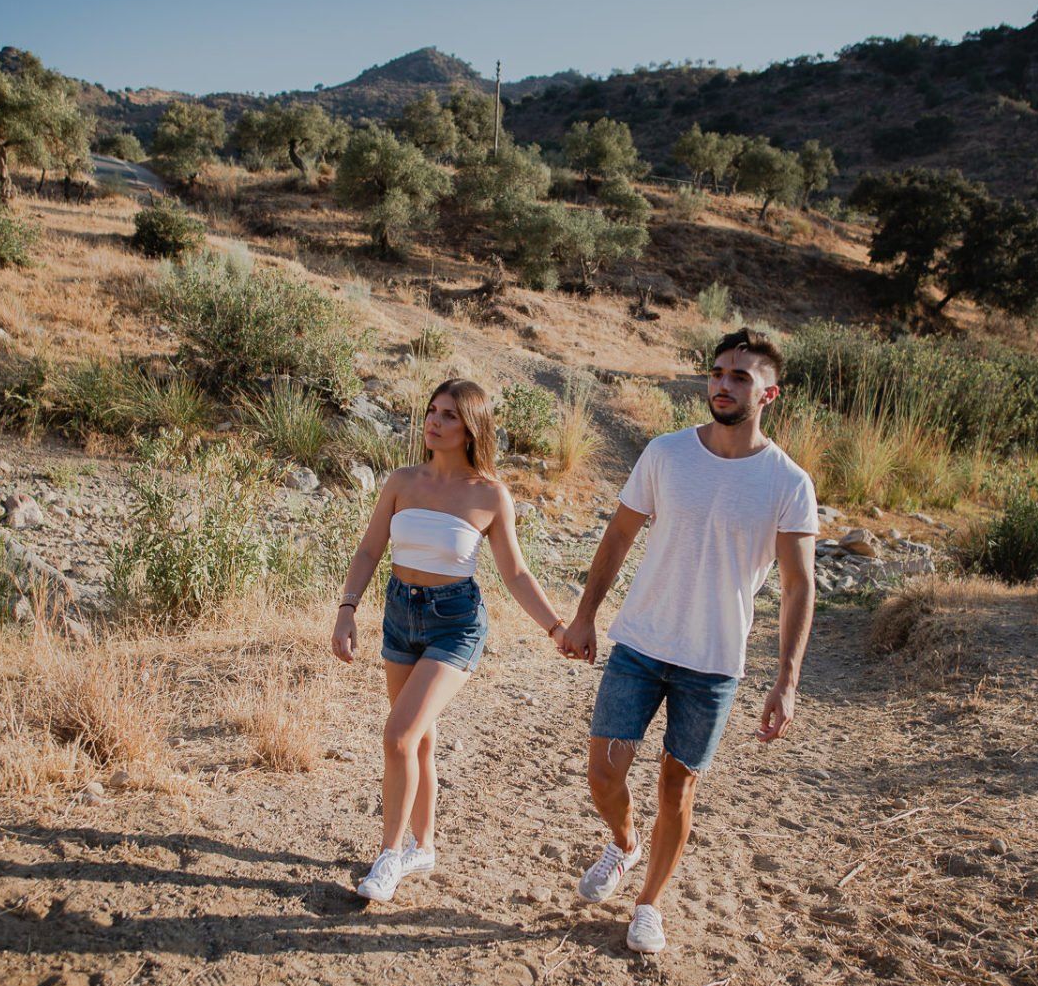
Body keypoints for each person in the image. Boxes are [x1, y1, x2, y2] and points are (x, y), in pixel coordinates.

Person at [558, 329, 818, 953]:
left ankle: (648, 905)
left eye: (740, 377)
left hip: (713, 662)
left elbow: (798, 586)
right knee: (603, 773)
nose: (723, 385)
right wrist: (585, 615)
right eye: (717, 372)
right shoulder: (667, 453)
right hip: (641, 643)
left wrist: (787, 680)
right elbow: (619, 536)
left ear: (769, 394)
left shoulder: (788, 482)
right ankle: (625, 845)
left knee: (676, 788)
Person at [332, 378, 571, 901]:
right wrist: (347, 610)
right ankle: (424, 845)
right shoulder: (402, 481)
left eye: (449, 415)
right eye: (432, 410)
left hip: (455, 622)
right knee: (419, 738)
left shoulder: (489, 495)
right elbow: (369, 550)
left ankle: (388, 856)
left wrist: (556, 627)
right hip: (400, 614)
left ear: (471, 429)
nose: (434, 422)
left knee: (398, 736)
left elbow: (515, 573)